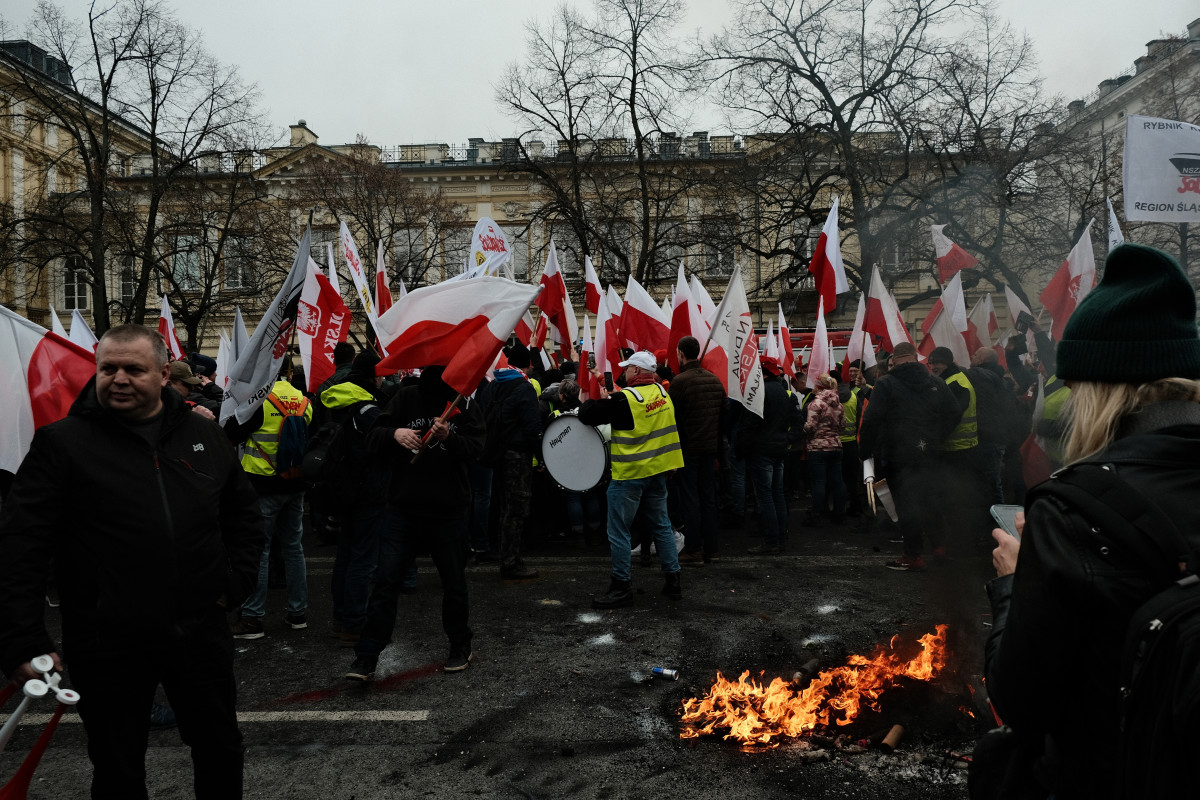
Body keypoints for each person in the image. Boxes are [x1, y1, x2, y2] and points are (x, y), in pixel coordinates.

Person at [0, 324, 264, 798]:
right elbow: (21, 545)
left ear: (163, 374)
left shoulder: (204, 434)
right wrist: (23, 639)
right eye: (108, 368)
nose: (118, 378)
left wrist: (234, 580)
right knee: (117, 766)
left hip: (199, 631)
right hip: (107, 639)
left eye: (133, 369)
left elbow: (242, 513)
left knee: (220, 748)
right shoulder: (62, 444)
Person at [982, 244, 1200, 799]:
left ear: (1102, 386)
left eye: (1075, 388)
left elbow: (1023, 701)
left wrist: (1013, 579)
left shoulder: (1072, 507)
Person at [346, 366, 484, 680]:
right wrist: (395, 434)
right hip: (403, 508)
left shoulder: (462, 401)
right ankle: (367, 656)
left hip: (449, 509)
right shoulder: (404, 397)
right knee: (386, 583)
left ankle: (460, 645)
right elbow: (374, 437)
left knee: (454, 583)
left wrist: (450, 436)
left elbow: (477, 449)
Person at [578, 351, 684, 608]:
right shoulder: (662, 394)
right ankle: (673, 581)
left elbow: (586, 413)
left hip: (630, 476)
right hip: (658, 472)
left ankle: (621, 587)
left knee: (619, 532)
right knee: (661, 525)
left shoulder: (626, 399)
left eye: (627, 369)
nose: (623, 372)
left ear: (636, 371)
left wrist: (603, 398)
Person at [228, 357, 313, 639]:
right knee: (294, 548)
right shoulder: (304, 401)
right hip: (296, 483)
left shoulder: (258, 401)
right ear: (290, 371)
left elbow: (233, 433)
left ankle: (252, 618)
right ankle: (298, 613)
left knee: (260, 551)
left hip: (262, 485)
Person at [858, 342, 961, 571]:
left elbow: (871, 420)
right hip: (929, 453)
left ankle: (913, 554)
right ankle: (939, 548)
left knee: (906, 505)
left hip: (899, 455)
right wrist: (938, 437)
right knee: (932, 500)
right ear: (916, 358)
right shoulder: (936, 381)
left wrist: (864, 452)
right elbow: (954, 412)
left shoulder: (886, 384)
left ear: (894, 359)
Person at [483, 345, 542, 580]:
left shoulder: (493, 385)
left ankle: (506, 555)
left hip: (496, 453)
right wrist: (540, 455)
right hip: (517, 455)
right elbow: (532, 426)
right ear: (528, 363)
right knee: (516, 509)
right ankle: (510, 562)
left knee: (503, 507)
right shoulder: (524, 388)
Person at [669, 336, 726, 564]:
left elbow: (670, 417)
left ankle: (694, 549)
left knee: (690, 499)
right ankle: (711, 549)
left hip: (688, 448)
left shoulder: (680, 382)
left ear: (682, 354)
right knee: (708, 498)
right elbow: (724, 415)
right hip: (709, 448)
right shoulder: (715, 380)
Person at [737, 355, 802, 554]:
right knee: (778, 494)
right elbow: (799, 423)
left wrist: (741, 449)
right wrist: (787, 439)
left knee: (765, 497)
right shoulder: (786, 393)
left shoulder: (758, 393)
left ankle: (771, 541)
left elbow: (749, 425)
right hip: (779, 449)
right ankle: (780, 539)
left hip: (762, 450)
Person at [803, 373, 847, 525]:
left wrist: (804, 429)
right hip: (836, 446)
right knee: (838, 481)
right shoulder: (839, 404)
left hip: (818, 447)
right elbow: (843, 426)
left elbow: (810, 426)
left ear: (818, 387)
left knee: (818, 482)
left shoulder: (816, 404)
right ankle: (840, 513)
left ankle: (816, 514)